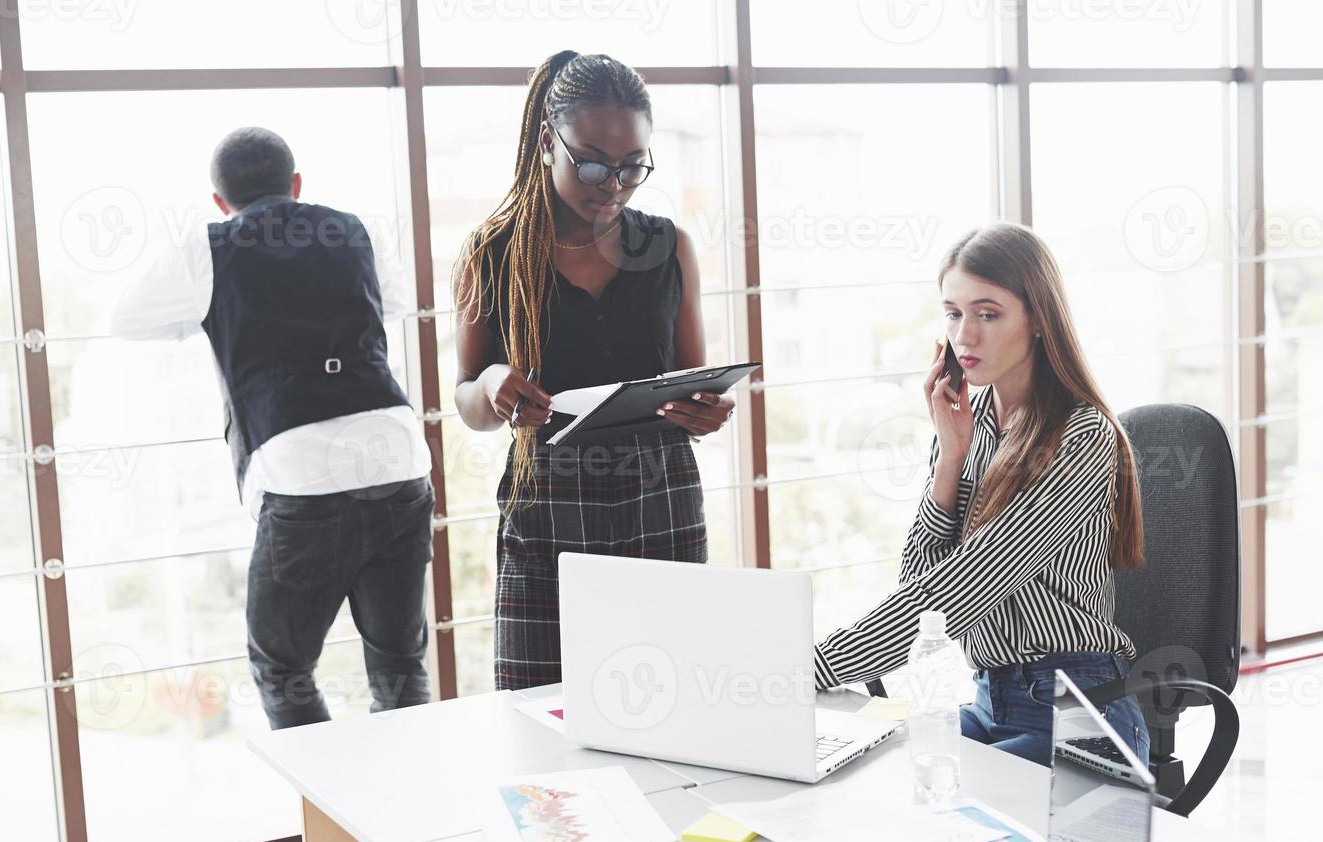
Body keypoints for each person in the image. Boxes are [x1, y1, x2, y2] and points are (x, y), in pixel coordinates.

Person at [107, 127, 435, 842]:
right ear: (296, 183)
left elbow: (129, 317)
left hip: (302, 475)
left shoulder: (209, 243)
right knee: (400, 661)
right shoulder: (348, 227)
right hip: (399, 458)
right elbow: (402, 300)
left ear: (220, 198)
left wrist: (206, 267)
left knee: (283, 668)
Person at [812, 223, 1150, 767]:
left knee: (950, 801)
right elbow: (917, 580)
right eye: (952, 313)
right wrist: (949, 459)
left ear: (1038, 319)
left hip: (1076, 707)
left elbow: (961, 590)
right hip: (987, 699)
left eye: (987, 314)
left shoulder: (1081, 436)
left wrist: (814, 666)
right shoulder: (967, 426)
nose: (964, 336)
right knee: (881, 777)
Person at [452, 51, 733, 690]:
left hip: (661, 494)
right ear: (548, 141)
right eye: (595, 165)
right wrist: (492, 386)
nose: (614, 185)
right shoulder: (492, 254)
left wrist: (706, 413)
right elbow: (466, 400)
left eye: (633, 167)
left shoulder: (669, 247)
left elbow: (694, 381)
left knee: (673, 698)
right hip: (549, 501)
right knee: (538, 708)